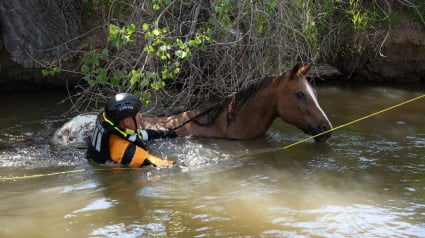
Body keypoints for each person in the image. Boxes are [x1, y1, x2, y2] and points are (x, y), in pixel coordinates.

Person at [87, 93, 176, 167]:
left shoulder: (113, 123)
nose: (141, 116)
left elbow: (138, 134)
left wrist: (168, 133)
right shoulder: (124, 150)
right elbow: (157, 163)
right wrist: (179, 164)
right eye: (138, 114)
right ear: (127, 121)